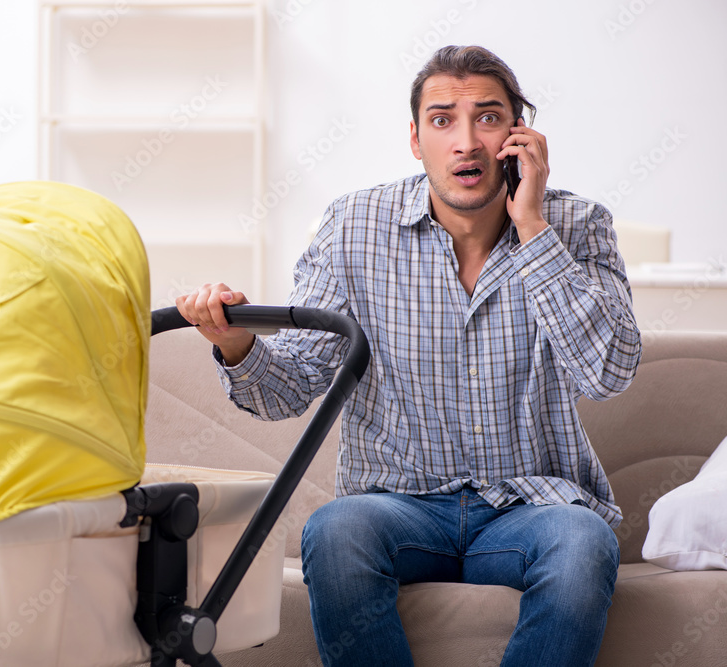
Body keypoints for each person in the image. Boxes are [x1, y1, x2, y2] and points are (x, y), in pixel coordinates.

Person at [176, 45, 640, 666]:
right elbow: (287, 389)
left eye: (489, 117)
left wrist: (532, 229)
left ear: (520, 134)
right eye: (443, 119)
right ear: (415, 140)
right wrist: (235, 344)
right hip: (397, 506)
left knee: (584, 543)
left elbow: (608, 372)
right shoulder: (353, 227)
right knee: (336, 531)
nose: (467, 142)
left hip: (529, 507)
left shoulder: (578, 226)